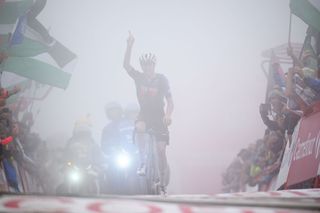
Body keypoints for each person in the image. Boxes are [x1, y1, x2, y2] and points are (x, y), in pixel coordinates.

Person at [123, 32, 174, 195]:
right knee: (139, 127)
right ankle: (143, 161)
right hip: (144, 114)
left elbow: (170, 101)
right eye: (144, 65)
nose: (147, 68)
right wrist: (129, 45)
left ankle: (163, 177)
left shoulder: (162, 79)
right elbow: (126, 65)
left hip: (159, 116)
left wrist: (168, 115)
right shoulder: (138, 77)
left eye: (149, 65)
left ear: (154, 65)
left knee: (160, 150)